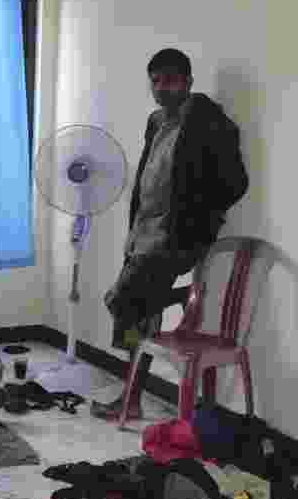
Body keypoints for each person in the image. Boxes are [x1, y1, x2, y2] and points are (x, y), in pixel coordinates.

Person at [93, 48, 248, 419]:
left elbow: (235, 183)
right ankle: (132, 388)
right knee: (131, 312)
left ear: (188, 82)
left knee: (124, 302)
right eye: (156, 81)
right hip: (144, 232)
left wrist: (196, 215)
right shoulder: (155, 121)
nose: (162, 88)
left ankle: (129, 398)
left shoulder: (209, 123)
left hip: (173, 237)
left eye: (171, 80)